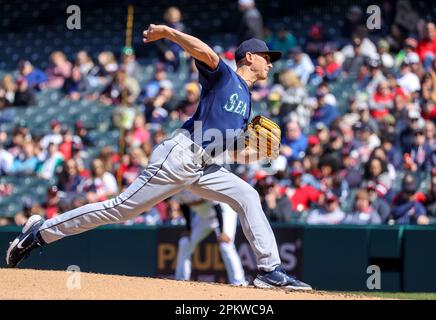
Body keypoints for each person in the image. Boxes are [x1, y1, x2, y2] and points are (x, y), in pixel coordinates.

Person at [6, 24, 311, 290]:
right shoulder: (225, 78)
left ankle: (270, 270)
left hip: (203, 165)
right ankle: (38, 233)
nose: (270, 64)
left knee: (247, 195)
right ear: (250, 57)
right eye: (267, 58)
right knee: (121, 209)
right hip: (179, 155)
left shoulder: (246, 102)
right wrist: (169, 33)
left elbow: (225, 148)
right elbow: (203, 50)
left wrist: (253, 153)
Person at [175, 191, 248, 286]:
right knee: (185, 242)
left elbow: (217, 207)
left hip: (224, 212)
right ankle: (181, 280)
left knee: (225, 245)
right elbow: (184, 206)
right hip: (203, 217)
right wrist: (188, 229)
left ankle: (239, 282)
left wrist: (222, 232)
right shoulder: (179, 189)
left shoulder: (200, 185)